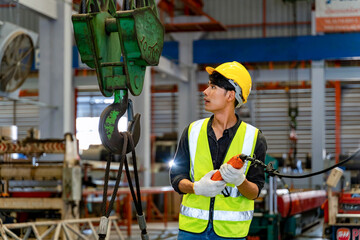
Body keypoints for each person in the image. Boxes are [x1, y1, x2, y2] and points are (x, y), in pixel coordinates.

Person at [169, 61, 267, 239]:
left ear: (230, 95)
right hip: (191, 232)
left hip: (231, 234)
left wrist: (240, 180)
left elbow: (255, 191)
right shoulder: (192, 131)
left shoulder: (254, 138)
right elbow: (176, 178)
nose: (205, 92)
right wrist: (196, 188)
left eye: (213, 87)